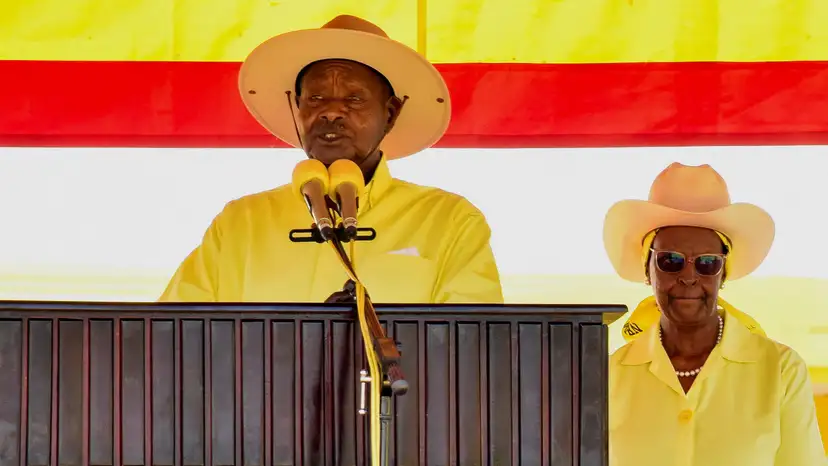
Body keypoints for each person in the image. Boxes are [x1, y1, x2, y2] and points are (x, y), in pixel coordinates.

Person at [159, 15, 503, 304]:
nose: (332, 112)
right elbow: (169, 341)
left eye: (354, 99)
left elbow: (474, 352)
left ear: (391, 113)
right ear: (297, 107)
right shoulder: (239, 224)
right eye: (316, 97)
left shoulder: (450, 222)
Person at [603, 162, 826, 465]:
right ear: (648, 270)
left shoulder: (781, 371)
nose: (689, 276)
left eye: (707, 263)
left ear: (723, 274)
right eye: (671, 261)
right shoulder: (608, 376)